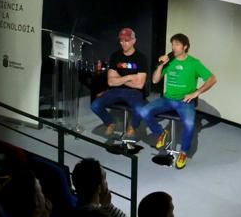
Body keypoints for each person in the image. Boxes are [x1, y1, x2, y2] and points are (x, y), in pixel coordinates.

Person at [134, 33, 216, 170]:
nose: (173, 47)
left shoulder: (194, 63)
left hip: (184, 101)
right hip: (167, 99)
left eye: (177, 44)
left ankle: (183, 152)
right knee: (143, 111)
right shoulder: (170, 61)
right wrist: (161, 65)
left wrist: (197, 92)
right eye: (172, 44)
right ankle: (161, 133)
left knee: (189, 124)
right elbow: (155, 80)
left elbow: (212, 79)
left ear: (185, 47)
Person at [89, 27, 148, 137]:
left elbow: (139, 84)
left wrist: (119, 78)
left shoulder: (141, 58)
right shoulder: (115, 56)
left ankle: (132, 127)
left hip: (134, 92)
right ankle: (110, 122)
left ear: (133, 41)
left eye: (126, 40)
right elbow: (111, 82)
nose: (123, 43)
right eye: (121, 41)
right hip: (115, 90)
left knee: (140, 109)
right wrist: (130, 76)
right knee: (95, 105)